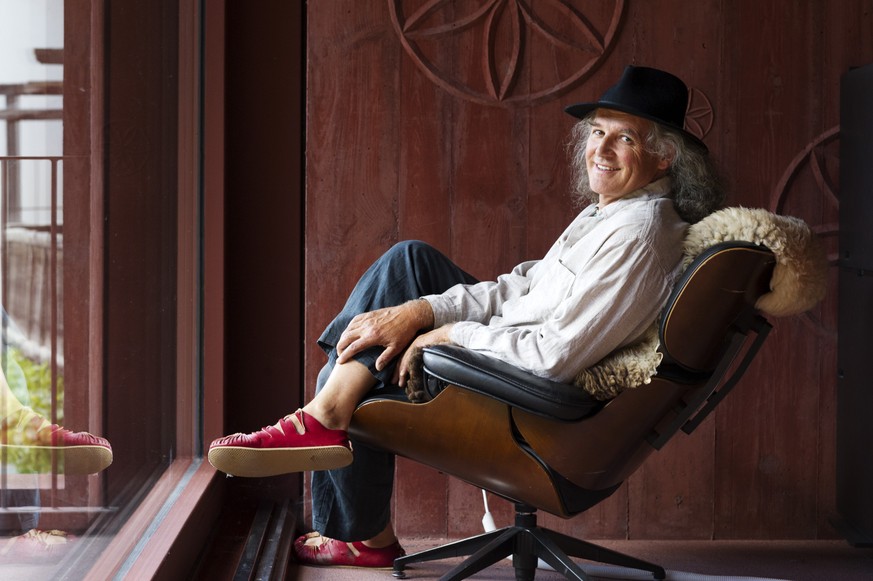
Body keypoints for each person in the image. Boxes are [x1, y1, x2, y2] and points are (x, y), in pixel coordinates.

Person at [208, 65, 725, 568]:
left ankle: (332, 447)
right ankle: (329, 422)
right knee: (408, 267)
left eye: (626, 139)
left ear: (664, 159)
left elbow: (552, 358)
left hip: (531, 401)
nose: (601, 150)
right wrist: (424, 308)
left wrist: (448, 334)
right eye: (597, 132)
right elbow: (523, 284)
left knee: (357, 372)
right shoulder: (611, 211)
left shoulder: (637, 237)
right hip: (511, 351)